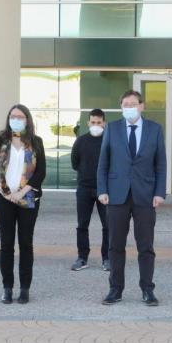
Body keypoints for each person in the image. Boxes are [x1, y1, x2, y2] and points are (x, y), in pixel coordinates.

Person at [97, 90, 167, 307]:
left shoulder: (154, 129)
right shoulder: (113, 128)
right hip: (117, 195)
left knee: (145, 246)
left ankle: (147, 289)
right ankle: (115, 289)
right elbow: (103, 162)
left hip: (145, 196)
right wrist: (102, 190)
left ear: (142, 106)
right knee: (115, 245)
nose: (129, 107)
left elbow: (161, 164)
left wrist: (159, 192)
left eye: (133, 103)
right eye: (125, 104)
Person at [0, 104, 46, 305]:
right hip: (5, 200)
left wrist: (22, 191)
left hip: (28, 198)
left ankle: (24, 289)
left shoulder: (36, 142)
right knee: (6, 244)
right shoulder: (0, 140)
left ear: (27, 120)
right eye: (13, 116)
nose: (16, 119)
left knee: (26, 244)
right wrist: (4, 192)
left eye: (20, 117)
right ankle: (7, 288)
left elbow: (41, 172)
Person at [70, 108, 109, 271]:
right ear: (88, 123)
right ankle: (82, 257)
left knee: (108, 225)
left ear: (104, 123)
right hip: (84, 189)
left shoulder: (109, 141)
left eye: (99, 122)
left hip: (105, 190)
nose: (96, 125)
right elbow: (74, 163)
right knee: (82, 225)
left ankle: (107, 258)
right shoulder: (80, 141)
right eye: (93, 122)